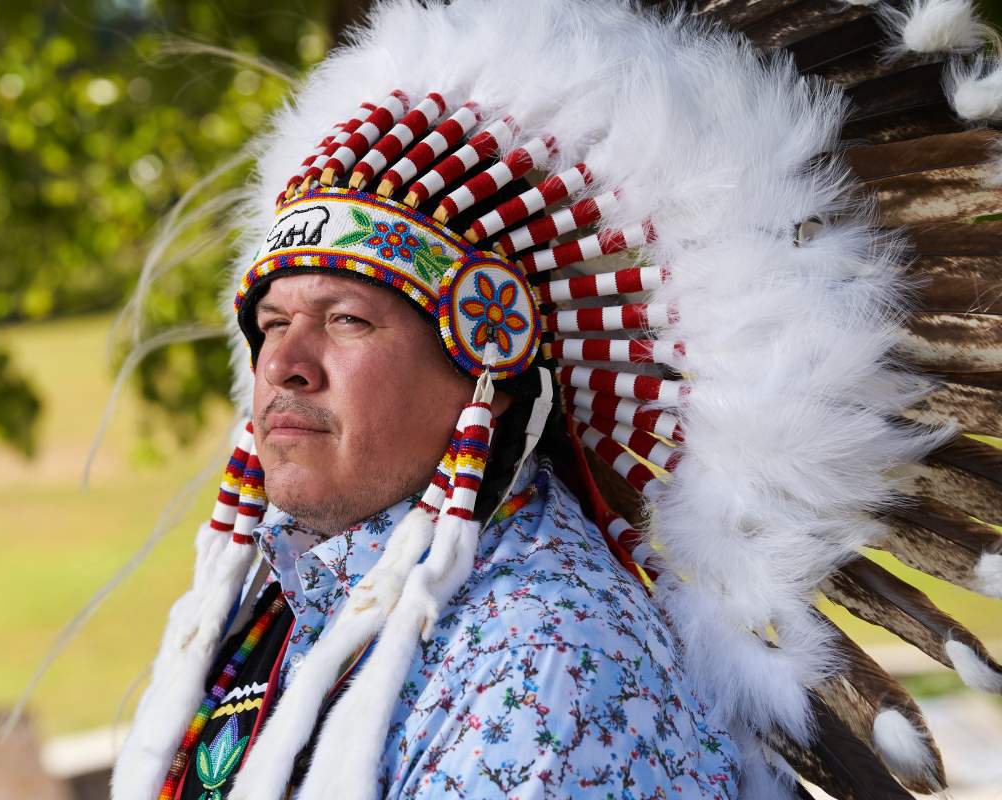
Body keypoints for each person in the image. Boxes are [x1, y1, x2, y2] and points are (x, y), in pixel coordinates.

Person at [110, 1, 1002, 798]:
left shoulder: (548, 672)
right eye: (269, 321)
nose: (284, 365)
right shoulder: (290, 604)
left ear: (484, 365)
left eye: (347, 319)